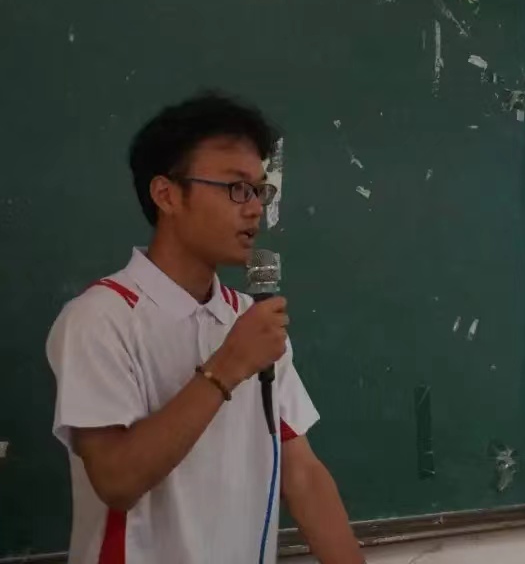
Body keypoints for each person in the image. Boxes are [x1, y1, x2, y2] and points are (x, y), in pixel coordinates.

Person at [45, 93, 364, 564]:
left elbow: (303, 475)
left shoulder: (250, 319)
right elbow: (116, 481)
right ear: (167, 195)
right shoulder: (100, 318)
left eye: (260, 191)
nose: (254, 209)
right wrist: (228, 365)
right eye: (236, 188)